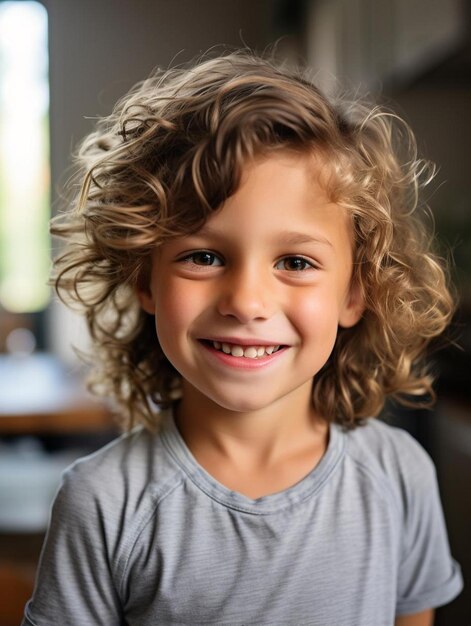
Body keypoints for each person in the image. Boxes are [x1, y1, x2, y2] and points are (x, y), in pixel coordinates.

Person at [23, 50, 463, 626]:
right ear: (145, 279)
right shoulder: (102, 502)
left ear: (355, 293)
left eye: (296, 261)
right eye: (204, 256)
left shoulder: (400, 475)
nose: (247, 302)